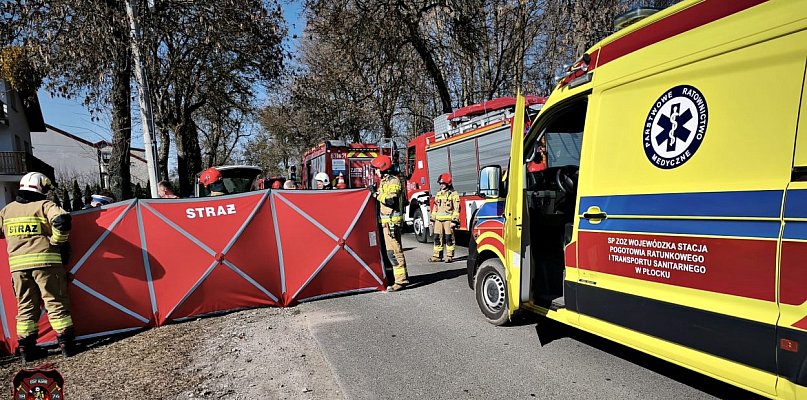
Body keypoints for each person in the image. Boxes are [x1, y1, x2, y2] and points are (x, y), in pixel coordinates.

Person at [0, 172, 75, 360]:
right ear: (40, 187)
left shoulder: (7, 210)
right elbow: (62, 221)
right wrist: (57, 242)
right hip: (46, 263)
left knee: (25, 306)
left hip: (18, 268)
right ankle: (66, 344)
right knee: (55, 302)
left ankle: (26, 348)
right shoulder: (45, 205)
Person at [369, 155, 408, 292]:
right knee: (389, 252)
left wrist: (375, 194)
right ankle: (396, 278)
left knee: (394, 252)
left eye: (376, 169)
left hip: (392, 223)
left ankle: (401, 281)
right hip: (386, 223)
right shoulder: (385, 181)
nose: (375, 172)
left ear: (382, 169)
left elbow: (391, 201)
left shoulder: (393, 181)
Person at [429, 173, 460, 263]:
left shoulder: (453, 194)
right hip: (438, 221)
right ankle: (437, 256)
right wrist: (432, 219)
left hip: (448, 221)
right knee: (437, 238)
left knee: (449, 238)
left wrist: (454, 221)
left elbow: (456, 209)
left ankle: (449, 256)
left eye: (443, 183)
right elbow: (435, 207)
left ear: (448, 183)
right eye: (440, 184)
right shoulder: (438, 194)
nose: (441, 185)